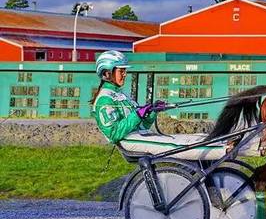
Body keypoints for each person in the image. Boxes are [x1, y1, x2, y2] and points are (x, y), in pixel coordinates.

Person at [92, 50, 227, 160]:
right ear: (107, 73)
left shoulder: (121, 95)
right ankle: (225, 150)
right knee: (177, 145)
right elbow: (114, 134)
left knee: (194, 137)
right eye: (121, 71)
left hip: (141, 135)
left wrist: (152, 112)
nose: (125, 74)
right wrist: (137, 114)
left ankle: (223, 142)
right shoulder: (104, 99)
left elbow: (142, 125)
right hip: (129, 140)